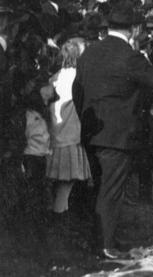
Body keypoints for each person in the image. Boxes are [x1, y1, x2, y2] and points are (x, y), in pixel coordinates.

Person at [74, 0, 153, 260]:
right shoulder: (129, 57)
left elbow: (78, 90)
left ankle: (101, 240)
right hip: (118, 136)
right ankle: (106, 246)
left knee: (100, 187)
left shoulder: (89, 52)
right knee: (111, 191)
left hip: (91, 132)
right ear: (132, 29)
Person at [46, 39, 92, 219]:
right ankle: (60, 219)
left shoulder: (55, 77)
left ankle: (56, 217)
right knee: (67, 182)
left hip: (55, 134)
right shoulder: (80, 77)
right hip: (72, 134)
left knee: (58, 182)